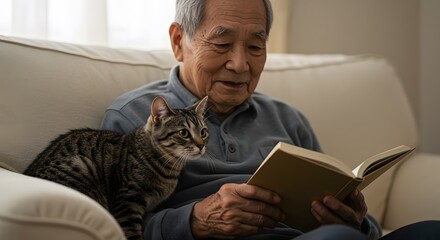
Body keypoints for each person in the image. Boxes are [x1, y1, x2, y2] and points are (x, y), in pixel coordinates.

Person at [101, 0, 440, 239]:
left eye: (255, 47)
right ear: (179, 42)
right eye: (222, 43)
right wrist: (195, 221)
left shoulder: (288, 119)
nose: (239, 64)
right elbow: (107, 227)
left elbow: (363, 226)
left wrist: (358, 221)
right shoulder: (134, 118)